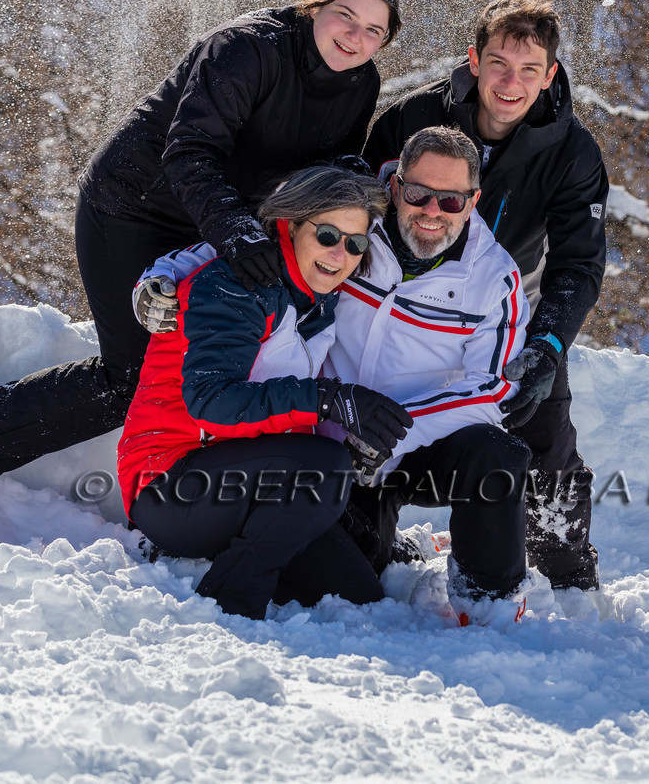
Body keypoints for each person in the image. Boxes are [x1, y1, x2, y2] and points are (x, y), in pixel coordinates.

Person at [0, 0, 402, 477]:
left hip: (219, 221)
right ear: (314, 4)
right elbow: (190, 151)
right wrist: (237, 233)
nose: (354, 36)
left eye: (373, 30)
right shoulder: (246, 48)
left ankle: (197, 494)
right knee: (132, 374)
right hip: (135, 204)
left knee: (209, 364)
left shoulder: (359, 84)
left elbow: (322, 181)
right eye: (344, 15)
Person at [137, 126, 535, 605]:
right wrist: (160, 275)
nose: (432, 211)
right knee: (344, 541)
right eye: (419, 193)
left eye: (450, 201)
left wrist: (388, 430)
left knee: (491, 460)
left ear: (472, 201)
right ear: (396, 186)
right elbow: (243, 249)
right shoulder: (348, 230)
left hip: (390, 445)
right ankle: (228, 583)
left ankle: (488, 603)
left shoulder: (492, 279)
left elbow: (491, 389)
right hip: (283, 454)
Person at [362, 0, 609, 592]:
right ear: (473, 60)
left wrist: (546, 346)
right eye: (498, 62)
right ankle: (374, 543)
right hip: (401, 303)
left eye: (529, 70)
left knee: (543, 433)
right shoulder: (413, 118)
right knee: (371, 424)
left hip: (505, 312)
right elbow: (357, 205)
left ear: (550, 74)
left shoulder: (573, 152)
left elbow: (578, 264)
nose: (511, 82)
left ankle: (569, 573)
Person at [119, 166, 411, 619]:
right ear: (292, 223)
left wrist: (351, 433)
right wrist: (329, 398)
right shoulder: (237, 283)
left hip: (243, 483)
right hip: (168, 485)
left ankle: (244, 559)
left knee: (360, 591)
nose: (341, 254)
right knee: (323, 467)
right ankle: (230, 601)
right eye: (329, 234)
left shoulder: (316, 298)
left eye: (356, 244)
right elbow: (213, 403)